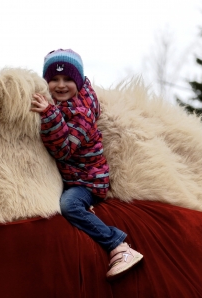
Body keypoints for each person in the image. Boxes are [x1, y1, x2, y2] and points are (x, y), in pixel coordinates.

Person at [31, 49, 143, 280]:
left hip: (88, 180)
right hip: (69, 177)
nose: (61, 85)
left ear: (79, 81)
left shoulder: (82, 112)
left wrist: (50, 115)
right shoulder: (59, 106)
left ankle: (119, 246)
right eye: (54, 79)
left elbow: (64, 149)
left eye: (68, 79)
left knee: (69, 206)